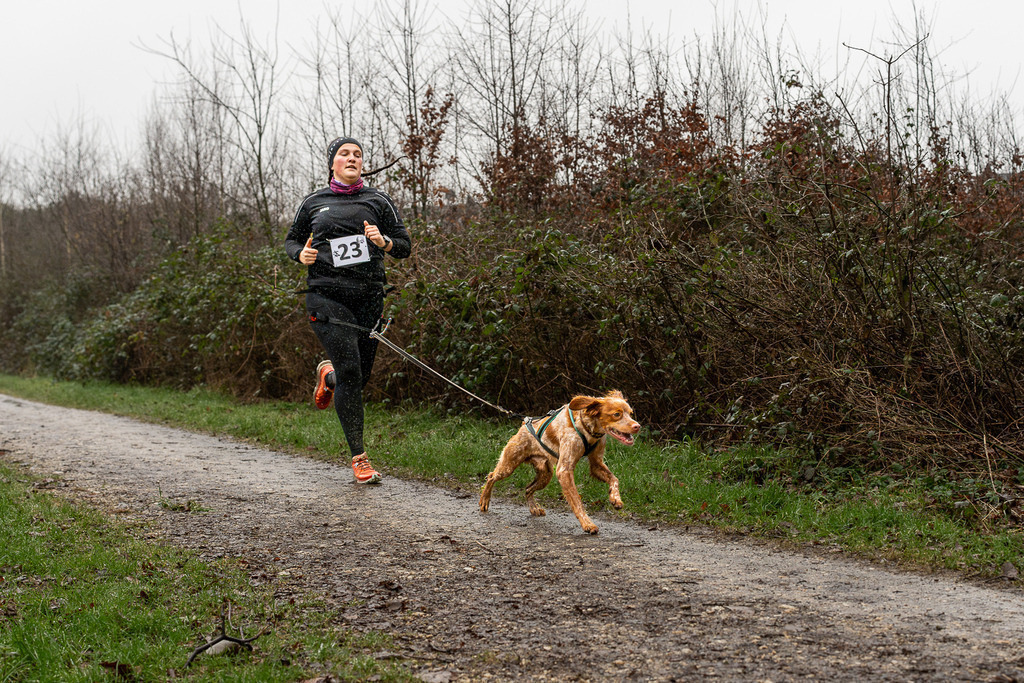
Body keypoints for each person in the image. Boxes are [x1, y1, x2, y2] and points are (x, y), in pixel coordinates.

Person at [285, 137, 411, 484]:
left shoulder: (378, 201)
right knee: (352, 371)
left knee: (357, 378)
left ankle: (329, 377)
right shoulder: (314, 202)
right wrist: (301, 254)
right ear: (333, 163)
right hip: (326, 297)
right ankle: (360, 457)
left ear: (362, 165)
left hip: (369, 298)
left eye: (357, 154)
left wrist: (383, 241)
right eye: (345, 153)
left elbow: (403, 245)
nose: (352, 157)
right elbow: (291, 239)